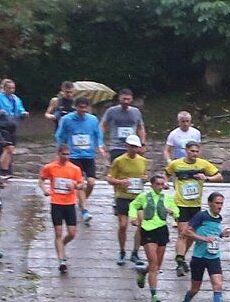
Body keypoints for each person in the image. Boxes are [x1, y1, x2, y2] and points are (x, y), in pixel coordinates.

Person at [166, 141, 222, 276]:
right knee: (183, 233)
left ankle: (181, 257)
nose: (194, 154)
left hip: (195, 205)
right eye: (192, 151)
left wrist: (206, 178)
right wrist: (166, 184)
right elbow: (166, 174)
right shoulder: (176, 164)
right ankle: (180, 261)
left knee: (191, 235)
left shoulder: (203, 164)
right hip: (181, 204)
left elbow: (219, 177)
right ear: (186, 150)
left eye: (197, 151)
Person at [176, 192, 230, 302]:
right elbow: (186, 231)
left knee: (218, 284)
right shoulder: (201, 216)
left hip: (214, 257)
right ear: (210, 203)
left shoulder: (219, 218)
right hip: (199, 257)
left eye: (221, 203)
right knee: (195, 289)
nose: (220, 206)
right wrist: (203, 239)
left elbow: (212, 234)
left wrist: (221, 234)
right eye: (217, 203)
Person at [128, 172, 176, 302]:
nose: (160, 187)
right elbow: (133, 205)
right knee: (154, 263)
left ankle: (143, 272)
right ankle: (154, 296)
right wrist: (133, 218)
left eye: (162, 184)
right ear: (152, 184)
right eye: (157, 184)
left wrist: (173, 212)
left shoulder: (167, 197)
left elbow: (176, 210)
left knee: (156, 265)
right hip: (148, 230)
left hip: (162, 230)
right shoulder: (144, 196)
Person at [55, 95, 104, 223]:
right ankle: (84, 210)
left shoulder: (93, 119)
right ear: (75, 107)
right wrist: (61, 150)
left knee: (92, 182)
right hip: (74, 156)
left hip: (89, 155)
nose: (83, 110)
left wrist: (100, 146)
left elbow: (98, 134)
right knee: (80, 184)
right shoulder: (67, 119)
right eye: (80, 107)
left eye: (85, 108)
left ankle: (82, 203)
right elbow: (60, 135)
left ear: (88, 108)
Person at [39, 145, 84, 274]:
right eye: (64, 154)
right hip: (56, 203)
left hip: (69, 203)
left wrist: (75, 185)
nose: (66, 157)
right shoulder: (50, 167)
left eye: (68, 154)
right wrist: (45, 190)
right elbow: (41, 180)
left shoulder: (75, 169)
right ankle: (61, 260)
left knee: (72, 233)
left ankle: (61, 245)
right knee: (58, 232)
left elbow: (81, 185)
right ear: (58, 154)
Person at [107, 136, 151, 267]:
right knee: (123, 226)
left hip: (138, 198)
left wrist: (145, 179)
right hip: (123, 196)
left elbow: (144, 176)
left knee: (141, 224)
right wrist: (121, 182)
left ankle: (135, 252)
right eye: (131, 146)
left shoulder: (143, 161)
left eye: (136, 147)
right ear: (126, 146)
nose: (134, 149)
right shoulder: (118, 161)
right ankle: (122, 251)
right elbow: (109, 179)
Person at [0, 79, 26, 173]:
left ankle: (5, 170)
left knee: (11, 149)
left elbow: (20, 110)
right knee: (7, 147)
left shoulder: (16, 99)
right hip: (2, 125)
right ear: (4, 88)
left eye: (13, 88)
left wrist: (23, 113)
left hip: (13, 125)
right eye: (9, 88)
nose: (11, 90)